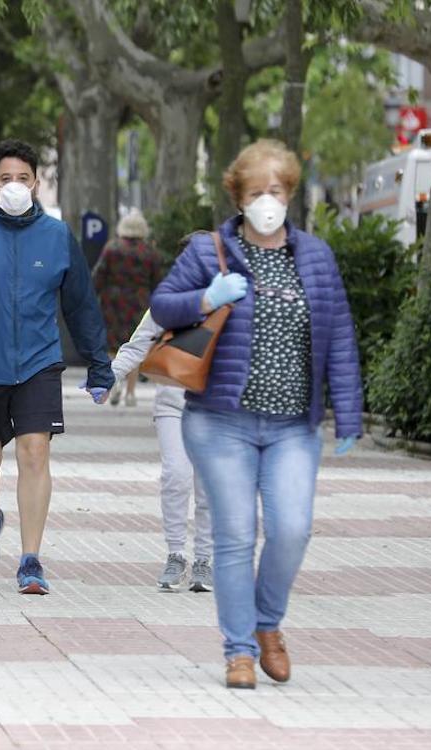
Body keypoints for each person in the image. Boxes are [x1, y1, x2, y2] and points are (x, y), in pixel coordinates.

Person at [150, 139, 362, 689]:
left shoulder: (315, 256)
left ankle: (269, 624)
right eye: (255, 192)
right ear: (237, 197)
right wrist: (206, 297)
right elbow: (161, 306)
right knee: (237, 534)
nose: (266, 200)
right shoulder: (208, 252)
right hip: (221, 422)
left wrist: (351, 412)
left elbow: (338, 334)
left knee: (292, 528)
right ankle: (239, 650)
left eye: (275, 191)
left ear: (289, 193)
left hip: (294, 425)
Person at [0, 139, 113, 595]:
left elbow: (82, 306)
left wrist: (99, 364)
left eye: (23, 178)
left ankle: (31, 561)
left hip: (38, 364)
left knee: (35, 453)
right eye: (6, 179)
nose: (15, 186)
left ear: (37, 183)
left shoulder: (56, 236)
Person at [108, 311, 213, 592]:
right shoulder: (171, 300)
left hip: (219, 409)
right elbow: (139, 343)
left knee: (209, 486)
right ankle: (175, 554)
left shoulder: (236, 298)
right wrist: (110, 376)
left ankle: (204, 559)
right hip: (172, 404)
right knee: (176, 475)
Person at [91, 208, 163, 407]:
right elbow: (158, 282)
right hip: (140, 303)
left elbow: (98, 276)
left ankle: (114, 385)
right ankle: (131, 393)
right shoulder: (150, 253)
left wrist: (91, 299)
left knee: (113, 347)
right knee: (134, 346)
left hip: (112, 303)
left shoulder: (112, 248)